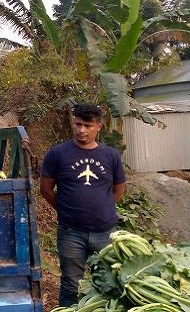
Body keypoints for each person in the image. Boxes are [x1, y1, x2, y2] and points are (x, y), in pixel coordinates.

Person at [39, 104, 126, 307]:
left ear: (99, 127)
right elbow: (45, 189)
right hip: (71, 233)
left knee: (107, 281)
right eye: (78, 124)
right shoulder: (57, 154)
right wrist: (66, 209)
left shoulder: (111, 156)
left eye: (87, 125)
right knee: (71, 283)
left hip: (105, 232)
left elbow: (118, 189)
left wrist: (102, 208)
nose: (81, 130)